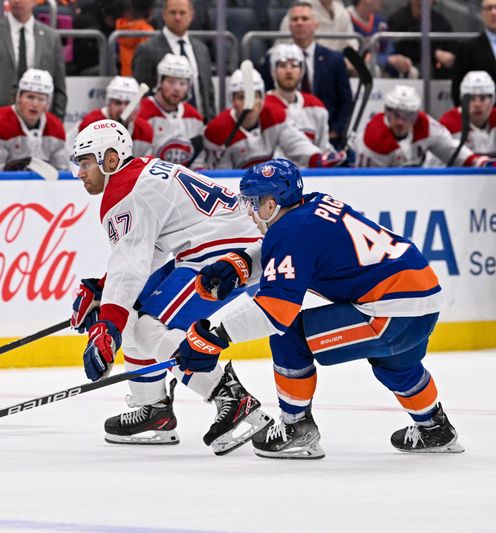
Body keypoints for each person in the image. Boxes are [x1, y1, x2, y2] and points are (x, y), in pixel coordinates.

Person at [178, 158, 465, 459]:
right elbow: (294, 250)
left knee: (288, 334)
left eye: (255, 202)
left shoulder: (290, 232)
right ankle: (435, 428)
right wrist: (242, 264)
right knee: (396, 365)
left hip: (389, 311)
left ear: (273, 204)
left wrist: (215, 337)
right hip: (422, 303)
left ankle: (296, 427)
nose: (251, 211)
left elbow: (276, 311)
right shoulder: (313, 206)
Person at [69, 118, 272, 454]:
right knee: (132, 314)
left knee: (151, 327)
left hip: (223, 254)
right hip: (218, 246)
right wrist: (105, 292)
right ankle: (155, 410)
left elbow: (131, 264)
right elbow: (146, 252)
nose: (80, 173)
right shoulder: (140, 174)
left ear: (109, 159)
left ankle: (231, 398)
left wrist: (107, 323)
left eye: (86, 163)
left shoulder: (124, 190)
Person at [203, 66, 341, 170]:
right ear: (232, 100)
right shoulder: (217, 131)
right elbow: (220, 177)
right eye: (241, 97)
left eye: (254, 97)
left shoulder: (274, 116)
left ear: (262, 98)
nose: (248, 104)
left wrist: (316, 158)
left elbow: (296, 144)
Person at [263, 1, 353, 150]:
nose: (299, 23)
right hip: (281, 142)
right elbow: (266, 97)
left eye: (304, 19)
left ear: (316, 24)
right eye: (295, 19)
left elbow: (346, 101)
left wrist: (335, 131)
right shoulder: (272, 59)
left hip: (325, 139)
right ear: (289, 25)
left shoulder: (334, 60)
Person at [0, 0, 67, 123]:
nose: (17, 1)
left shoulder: (51, 37)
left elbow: (59, 86)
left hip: (39, 122)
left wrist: (56, 122)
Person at [356, 84, 495, 167]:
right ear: (386, 112)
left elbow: (450, 148)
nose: (401, 122)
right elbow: (370, 182)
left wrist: (475, 161)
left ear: (416, 114)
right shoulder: (374, 138)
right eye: (397, 115)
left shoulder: (425, 124)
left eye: (409, 116)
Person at [131, 0, 215, 122]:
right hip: (161, 129)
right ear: (164, 14)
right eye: (172, 12)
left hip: (199, 126)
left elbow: (208, 93)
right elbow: (141, 94)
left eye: (182, 12)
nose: (177, 17)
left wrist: (210, 122)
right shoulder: (147, 50)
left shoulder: (201, 49)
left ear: (191, 15)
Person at [0, 68, 67, 171]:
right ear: (18, 98)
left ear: (48, 103)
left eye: (41, 99)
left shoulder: (56, 129)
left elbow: (60, 173)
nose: (35, 104)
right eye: (30, 97)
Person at [136, 53, 204, 166]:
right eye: (171, 82)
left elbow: (198, 162)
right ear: (160, 82)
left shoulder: (194, 117)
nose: (177, 88)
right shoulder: (141, 113)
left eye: (182, 83)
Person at [265, 44, 333, 153]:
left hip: (309, 169)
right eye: (282, 65)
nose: (289, 71)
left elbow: (323, 148)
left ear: (302, 71)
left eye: (294, 65)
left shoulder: (316, 107)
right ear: (274, 71)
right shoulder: (262, 107)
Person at [77, 76, 154, 157]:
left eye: (128, 104)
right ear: (109, 104)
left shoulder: (144, 131)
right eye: (117, 103)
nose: (123, 109)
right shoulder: (91, 124)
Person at [386, 0, 455, 80]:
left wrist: (449, 59)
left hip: (437, 75)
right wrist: (434, 53)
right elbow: (397, 47)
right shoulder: (396, 20)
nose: (420, 2)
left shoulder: (442, 23)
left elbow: (451, 49)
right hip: (403, 72)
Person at [440, 71, 496, 156]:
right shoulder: (448, 125)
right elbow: (434, 166)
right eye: (471, 99)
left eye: (483, 98)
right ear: (463, 101)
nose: (477, 105)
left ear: (492, 100)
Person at [451, 0, 496, 106]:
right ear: (482, 13)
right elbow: (457, 89)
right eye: (489, 8)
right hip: (481, 118)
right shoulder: (468, 48)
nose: (494, 12)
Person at [277, 0, 357, 53]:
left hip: (337, 66)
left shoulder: (341, 10)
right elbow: (284, 44)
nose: (300, 21)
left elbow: (351, 43)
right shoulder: (300, 9)